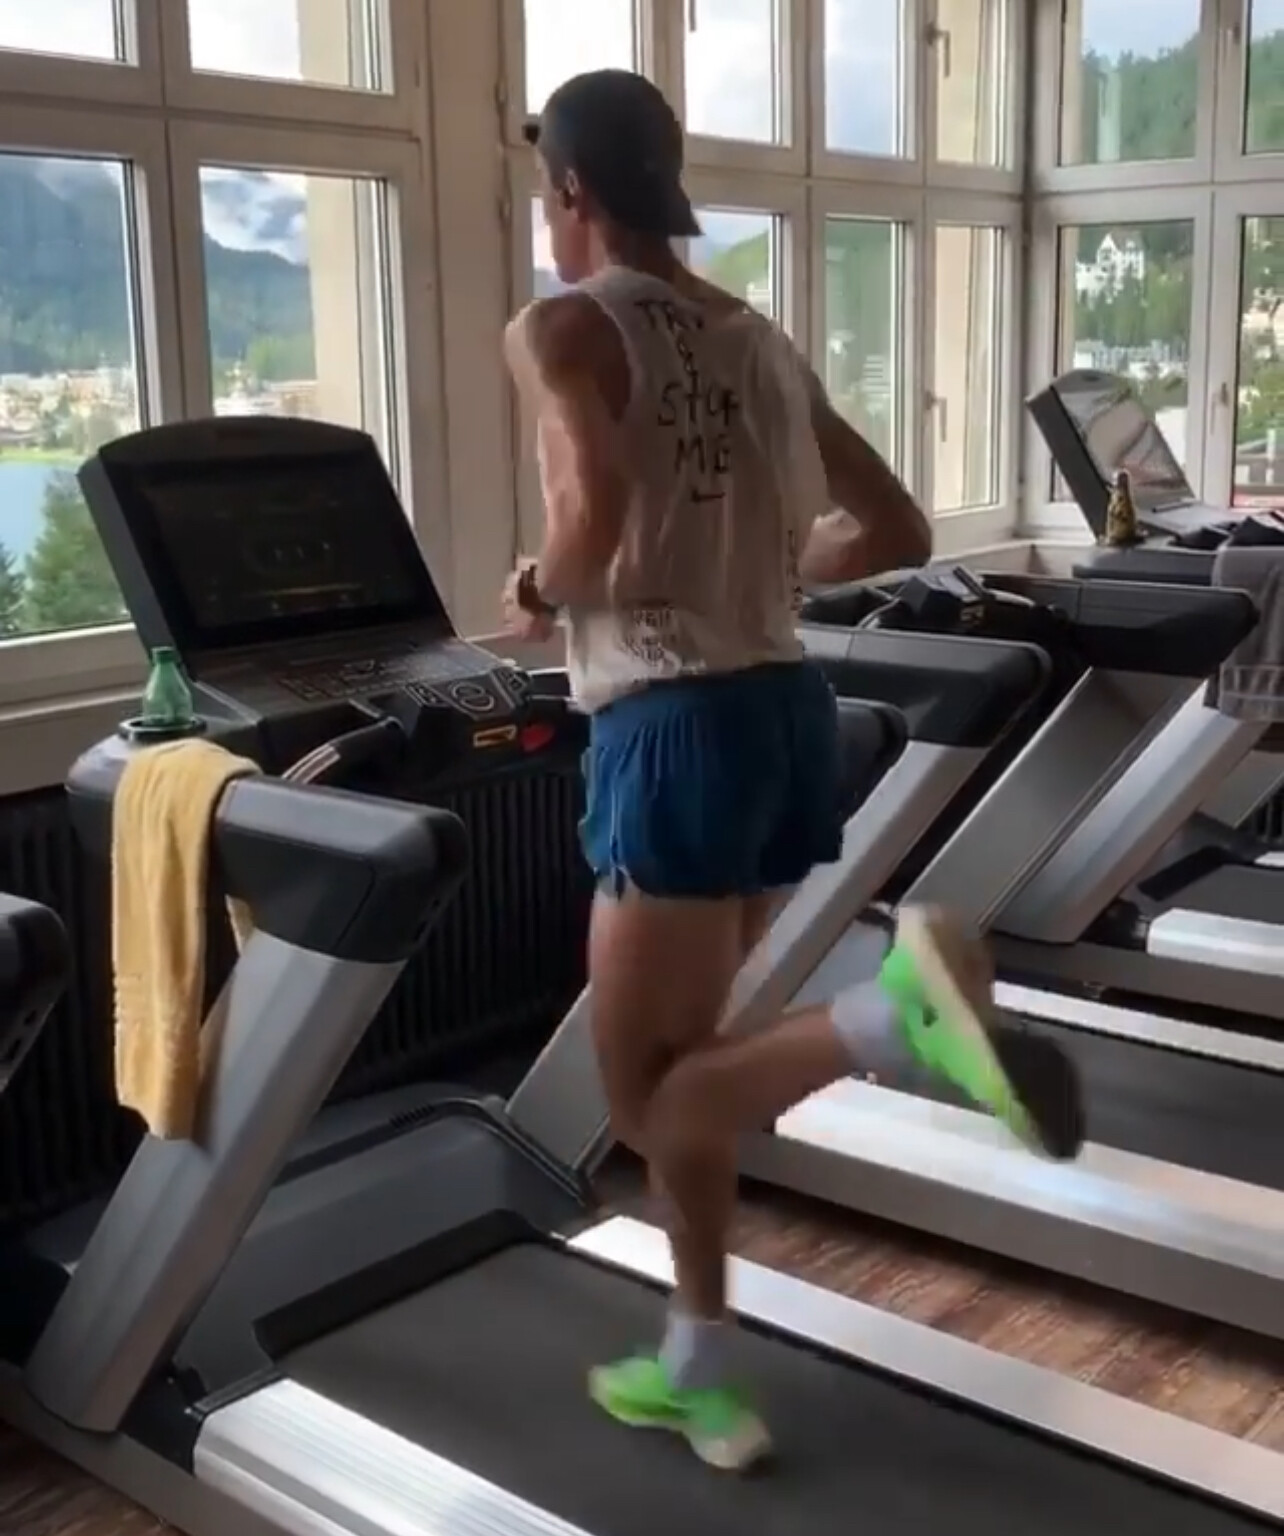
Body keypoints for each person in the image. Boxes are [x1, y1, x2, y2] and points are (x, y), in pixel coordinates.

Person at [502, 68, 1085, 1474]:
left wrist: (537, 587)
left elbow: (587, 523)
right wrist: (766, 563)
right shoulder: (753, 335)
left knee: (642, 1098)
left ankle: (897, 1022)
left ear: (570, 189)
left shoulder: (561, 326)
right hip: (781, 713)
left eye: (547, 190)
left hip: (672, 727)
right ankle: (697, 1357)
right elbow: (892, 527)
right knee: (696, 1072)